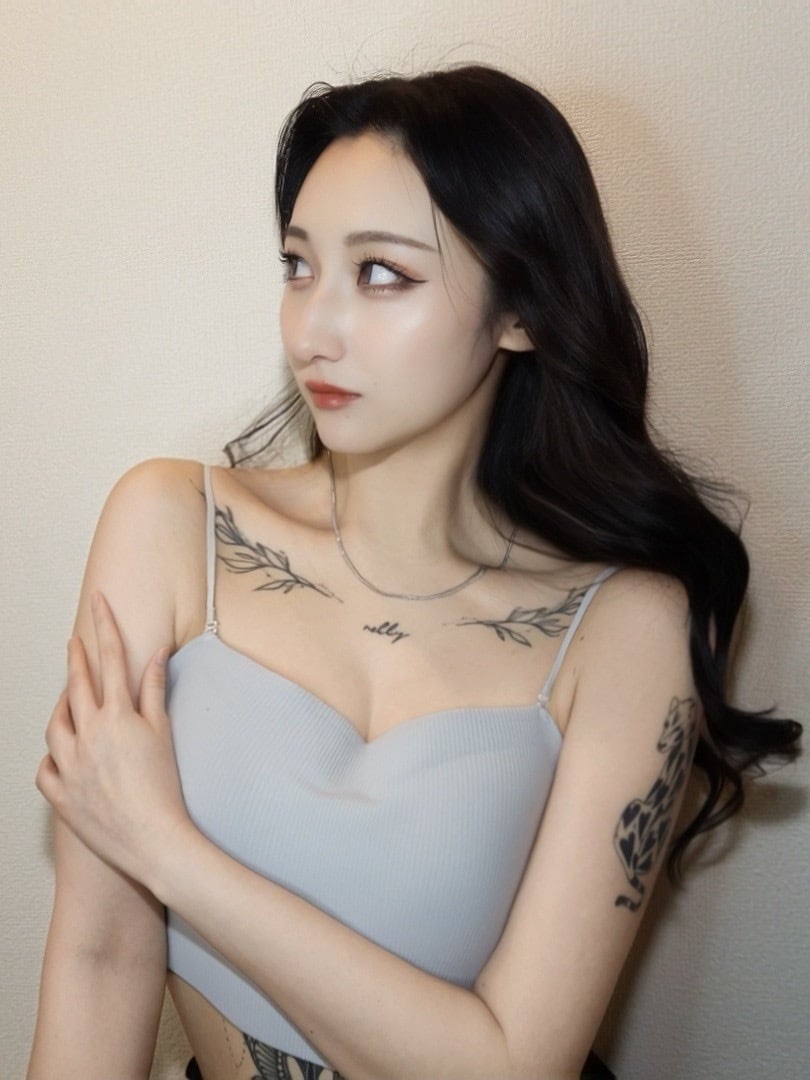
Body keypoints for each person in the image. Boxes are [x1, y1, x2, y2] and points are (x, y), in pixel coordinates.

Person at [28, 66, 800, 1080]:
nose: (314, 329)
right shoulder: (171, 527)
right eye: (298, 266)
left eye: (382, 274)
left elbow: (516, 1064)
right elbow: (98, 960)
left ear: (520, 309)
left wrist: (169, 852)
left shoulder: (626, 625)